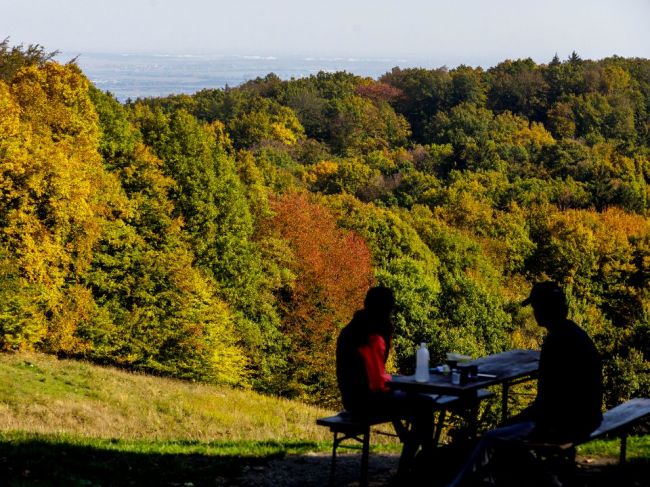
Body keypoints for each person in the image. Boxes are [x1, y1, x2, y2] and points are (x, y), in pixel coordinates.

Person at [448, 281, 603, 486]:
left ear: (544, 309)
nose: (534, 312)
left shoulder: (556, 342)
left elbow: (547, 403)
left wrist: (516, 421)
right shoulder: (575, 334)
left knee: (492, 438)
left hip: (566, 423)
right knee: (507, 434)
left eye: (535, 307)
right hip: (587, 416)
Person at [336, 286, 435, 475]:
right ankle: (414, 469)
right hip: (363, 402)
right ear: (384, 310)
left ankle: (414, 465)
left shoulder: (354, 328)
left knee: (418, 405)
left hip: (352, 397)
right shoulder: (372, 336)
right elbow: (376, 383)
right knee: (425, 407)